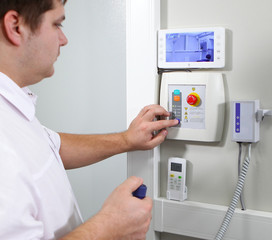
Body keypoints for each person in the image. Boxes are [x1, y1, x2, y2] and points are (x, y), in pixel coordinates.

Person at [0, 0, 178, 239]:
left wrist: (127, 140)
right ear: (15, 27)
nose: (63, 39)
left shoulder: (12, 107)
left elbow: (51, 147)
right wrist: (109, 227)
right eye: (56, 24)